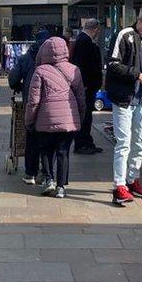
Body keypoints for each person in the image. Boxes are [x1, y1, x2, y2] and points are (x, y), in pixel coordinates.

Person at [105, 4, 142, 206]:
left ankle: (133, 179)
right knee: (123, 142)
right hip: (124, 98)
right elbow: (112, 64)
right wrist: (137, 74)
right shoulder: (124, 35)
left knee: (140, 142)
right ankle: (119, 185)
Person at [25, 37, 86, 198]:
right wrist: (80, 116)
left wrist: (29, 120)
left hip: (46, 118)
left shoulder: (40, 70)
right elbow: (81, 97)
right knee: (63, 152)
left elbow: (33, 100)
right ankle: (61, 187)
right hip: (68, 119)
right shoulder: (74, 70)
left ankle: (49, 180)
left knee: (45, 150)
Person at [9, 30, 52, 184]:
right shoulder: (54, 58)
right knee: (48, 140)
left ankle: (30, 173)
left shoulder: (26, 58)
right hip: (50, 105)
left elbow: (13, 79)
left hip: (31, 103)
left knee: (32, 138)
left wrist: (19, 86)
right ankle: (47, 173)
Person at [69, 19, 104, 155]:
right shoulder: (85, 42)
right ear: (95, 29)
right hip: (86, 86)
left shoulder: (83, 41)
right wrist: (84, 85)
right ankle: (82, 143)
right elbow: (83, 66)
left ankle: (87, 141)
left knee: (87, 115)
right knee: (85, 115)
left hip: (87, 85)